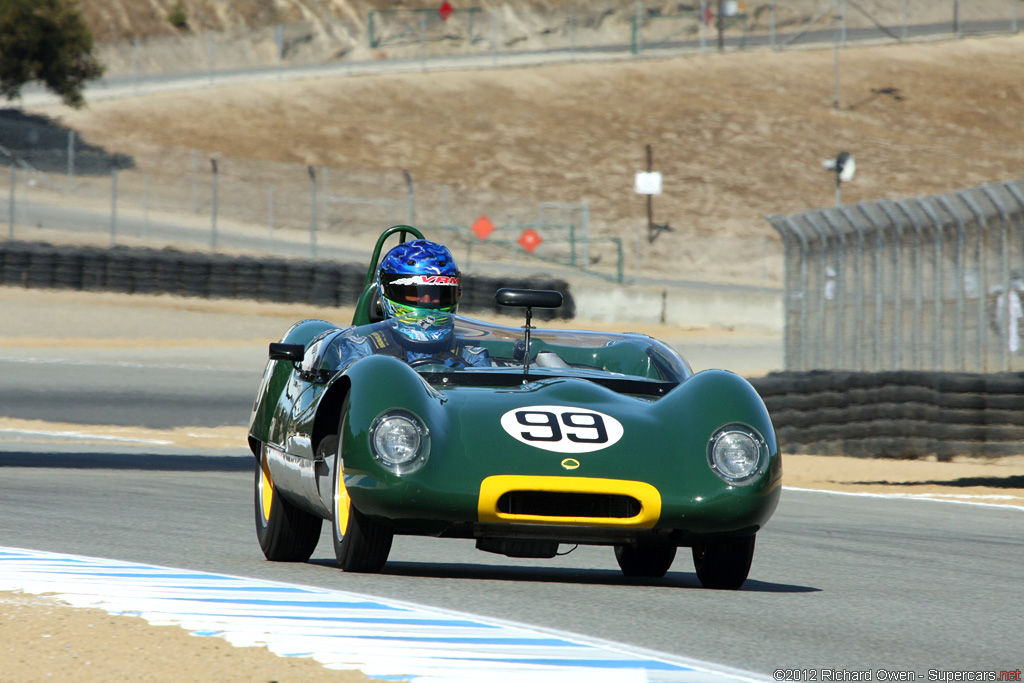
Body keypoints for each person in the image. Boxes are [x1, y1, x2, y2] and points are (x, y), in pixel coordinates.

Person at [336, 239, 491, 368]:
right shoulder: (362, 349)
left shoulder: (472, 357)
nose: (426, 302)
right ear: (386, 290)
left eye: (436, 295)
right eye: (415, 294)